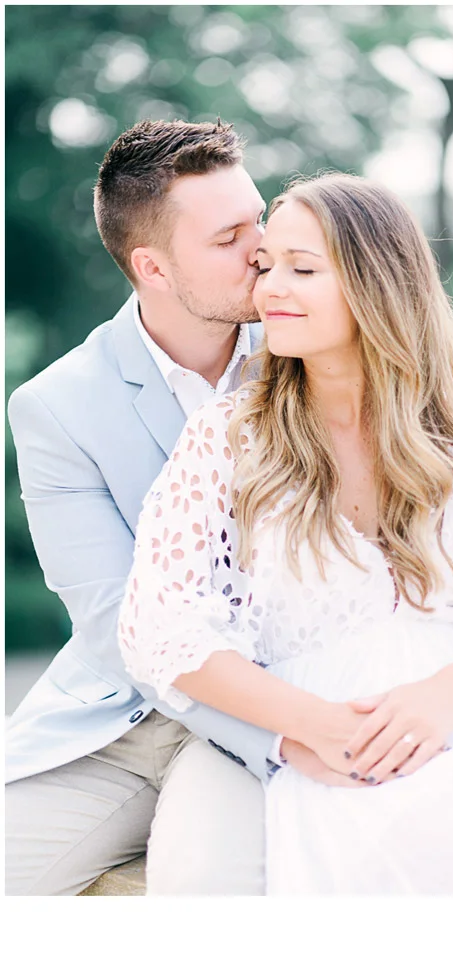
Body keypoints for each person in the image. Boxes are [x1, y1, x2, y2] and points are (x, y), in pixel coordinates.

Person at [117, 172, 453, 894]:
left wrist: (452, 688)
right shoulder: (230, 436)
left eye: (302, 268)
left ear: (377, 284)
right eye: (266, 264)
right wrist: (317, 728)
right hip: (355, 755)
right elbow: (162, 632)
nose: (271, 287)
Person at [5, 119, 279, 895]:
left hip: (263, 709)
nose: (261, 248)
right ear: (152, 266)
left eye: (258, 219)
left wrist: (292, 734)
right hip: (116, 718)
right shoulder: (56, 406)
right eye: (230, 236)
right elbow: (120, 625)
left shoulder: (308, 355)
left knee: (202, 890)